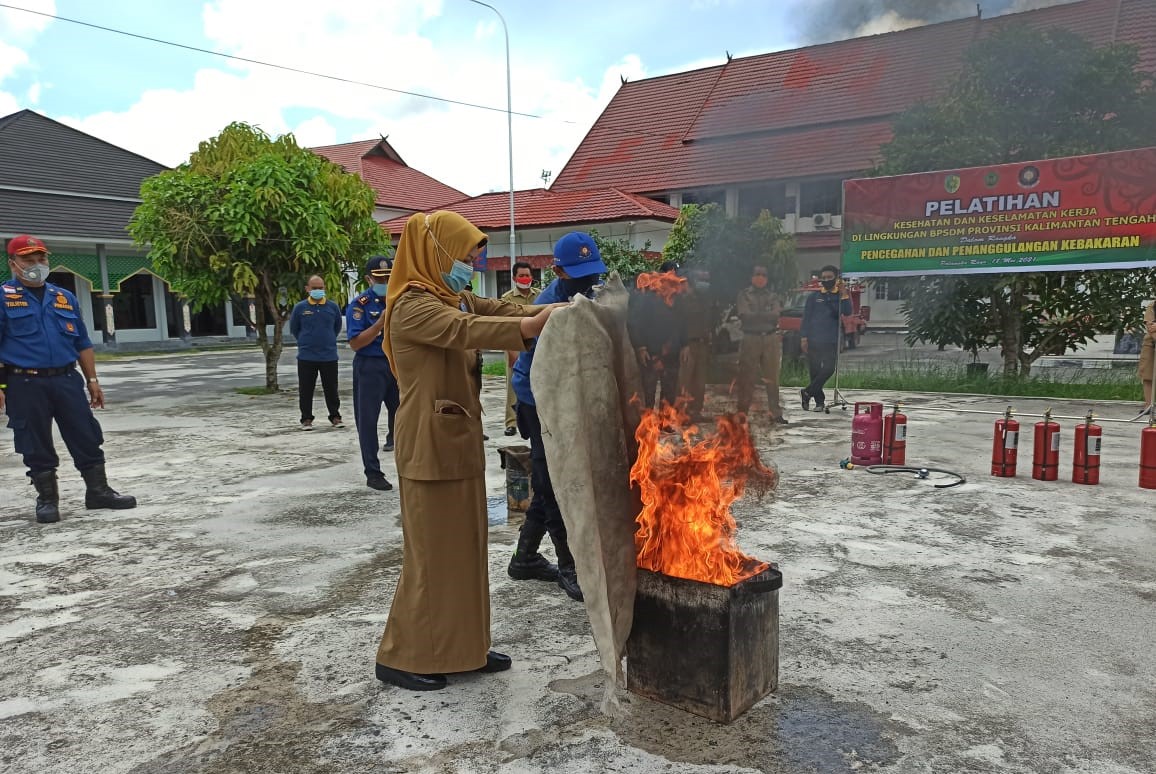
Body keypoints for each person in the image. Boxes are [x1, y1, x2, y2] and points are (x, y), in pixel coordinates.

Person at [374, 211, 560, 692]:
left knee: (465, 552)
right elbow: (466, 329)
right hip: (428, 447)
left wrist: (547, 312)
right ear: (435, 253)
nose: (473, 262)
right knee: (431, 557)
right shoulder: (413, 306)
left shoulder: (448, 294)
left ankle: (463, 649)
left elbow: (490, 310)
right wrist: (529, 327)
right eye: (466, 254)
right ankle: (401, 654)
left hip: (456, 443)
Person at [0, 234, 136, 523]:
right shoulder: (3, 298)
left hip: (66, 379)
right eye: (28, 259)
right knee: (34, 441)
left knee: (85, 433)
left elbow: (82, 343)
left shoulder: (64, 297)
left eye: (42, 258)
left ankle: (98, 492)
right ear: (14, 264)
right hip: (25, 383)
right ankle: (48, 500)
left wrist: (93, 380)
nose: (37, 264)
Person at [507, 232, 605, 602]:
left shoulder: (592, 296)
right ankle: (569, 566)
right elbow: (543, 365)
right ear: (559, 270)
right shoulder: (547, 306)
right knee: (551, 483)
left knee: (552, 479)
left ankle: (525, 558)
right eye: (579, 273)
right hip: (539, 400)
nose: (588, 280)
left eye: (591, 272)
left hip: (571, 400)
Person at [346, 256, 399, 491]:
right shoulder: (360, 304)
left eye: (389, 276)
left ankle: (408, 468)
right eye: (380, 277)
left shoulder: (402, 301)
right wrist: (379, 325)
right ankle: (373, 472)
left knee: (404, 418)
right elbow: (356, 343)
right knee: (367, 421)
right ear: (369, 278)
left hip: (396, 366)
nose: (386, 281)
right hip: (370, 366)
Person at [628, 260, 687, 409]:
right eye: (671, 273)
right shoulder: (648, 296)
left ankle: (664, 420)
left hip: (672, 351)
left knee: (670, 389)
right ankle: (648, 423)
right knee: (648, 389)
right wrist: (640, 346)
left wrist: (685, 345)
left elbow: (682, 323)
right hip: (651, 351)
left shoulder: (678, 298)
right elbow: (635, 322)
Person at [289, 275, 343, 430]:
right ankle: (306, 419)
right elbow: (295, 329)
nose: (318, 291)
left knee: (331, 388)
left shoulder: (332, 307)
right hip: (307, 356)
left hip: (329, 356)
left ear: (324, 288)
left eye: (320, 288)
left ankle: (335, 417)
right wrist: (306, 341)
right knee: (306, 389)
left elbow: (336, 327)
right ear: (307, 289)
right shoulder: (300, 308)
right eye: (314, 288)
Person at [735, 265, 787, 424]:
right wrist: (765, 314)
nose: (760, 278)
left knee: (772, 377)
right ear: (751, 277)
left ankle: (775, 413)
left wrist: (757, 315)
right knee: (746, 377)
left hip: (770, 338)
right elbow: (744, 315)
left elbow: (775, 315)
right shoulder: (744, 295)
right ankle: (742, 412)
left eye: (763, 275)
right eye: (757, 274)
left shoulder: (772, 295)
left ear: (767, 278)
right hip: (750, 338)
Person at [799, 265, 853, 413]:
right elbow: (806, 319)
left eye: (830, 277)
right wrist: (804, 337)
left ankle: (807, 392)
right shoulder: (814, 297)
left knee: (829, 369)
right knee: (815, 371)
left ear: (836, 278)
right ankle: (819, 402)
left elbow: (848, 312)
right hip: (814, 339)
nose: (826, 280)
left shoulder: (839, 296)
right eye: (824, 278)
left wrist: (844, 294)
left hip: (831, 339)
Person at [500, 261, 538, 436]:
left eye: (528, 275)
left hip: (535, 347)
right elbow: (502, 326)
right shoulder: (507, 298)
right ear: (514, 278)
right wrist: (511, 351)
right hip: (514, 345)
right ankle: (511, 422)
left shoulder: (539, 295)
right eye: (521, 275)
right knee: (512, 384)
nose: (525, 278)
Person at [677, 269, 713, 419]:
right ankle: (681, 412)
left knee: (700, 382)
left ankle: (696, 411)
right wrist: (682, 344)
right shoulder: (680, 301)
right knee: (685, 380)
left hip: (702, 344)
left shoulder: (700, 299)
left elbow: (706, 320)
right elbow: (678, 325)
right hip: (688, 345)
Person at [1140, 299, 1155, 408]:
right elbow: (1151, 327)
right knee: (1148, 375)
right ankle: (1149, 405)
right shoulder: (1152, 306)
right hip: (1151, 344)